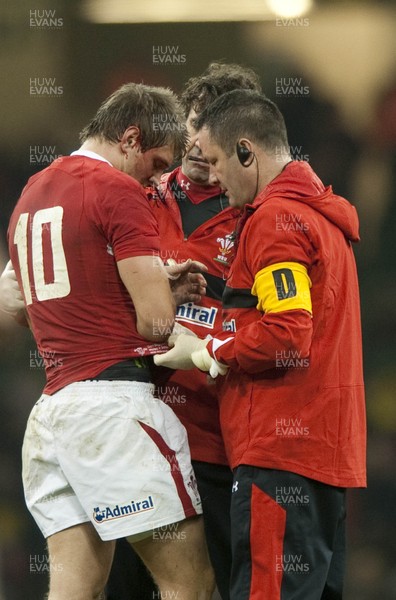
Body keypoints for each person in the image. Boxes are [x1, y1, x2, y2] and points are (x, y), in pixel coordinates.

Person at [155, 89, 367, 599]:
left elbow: (286, 330)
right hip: (325, 458)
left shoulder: (275, 221)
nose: (214, 180)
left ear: (247, 152)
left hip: (278, 454)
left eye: (219, 163)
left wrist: (208, 354)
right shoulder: (324, 220)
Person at [6, 82, 214, 600]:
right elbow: (156, 327)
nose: (158, 179)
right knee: (189, 583)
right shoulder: (117, 190)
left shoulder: (32, 190)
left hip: (52, 414)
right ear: (129, 138)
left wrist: (149, 279)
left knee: (75, 590)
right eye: (157, 162)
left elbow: (17, 309)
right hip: (113, 410)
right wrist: (164, 299)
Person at [106, 61, 263, 600]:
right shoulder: (138, 195)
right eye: (193, 124)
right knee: (122, 585)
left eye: (211, 132)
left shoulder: (256, 217)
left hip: (215, 438)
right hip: (137, 431)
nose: (196, 144)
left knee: (211, 586)